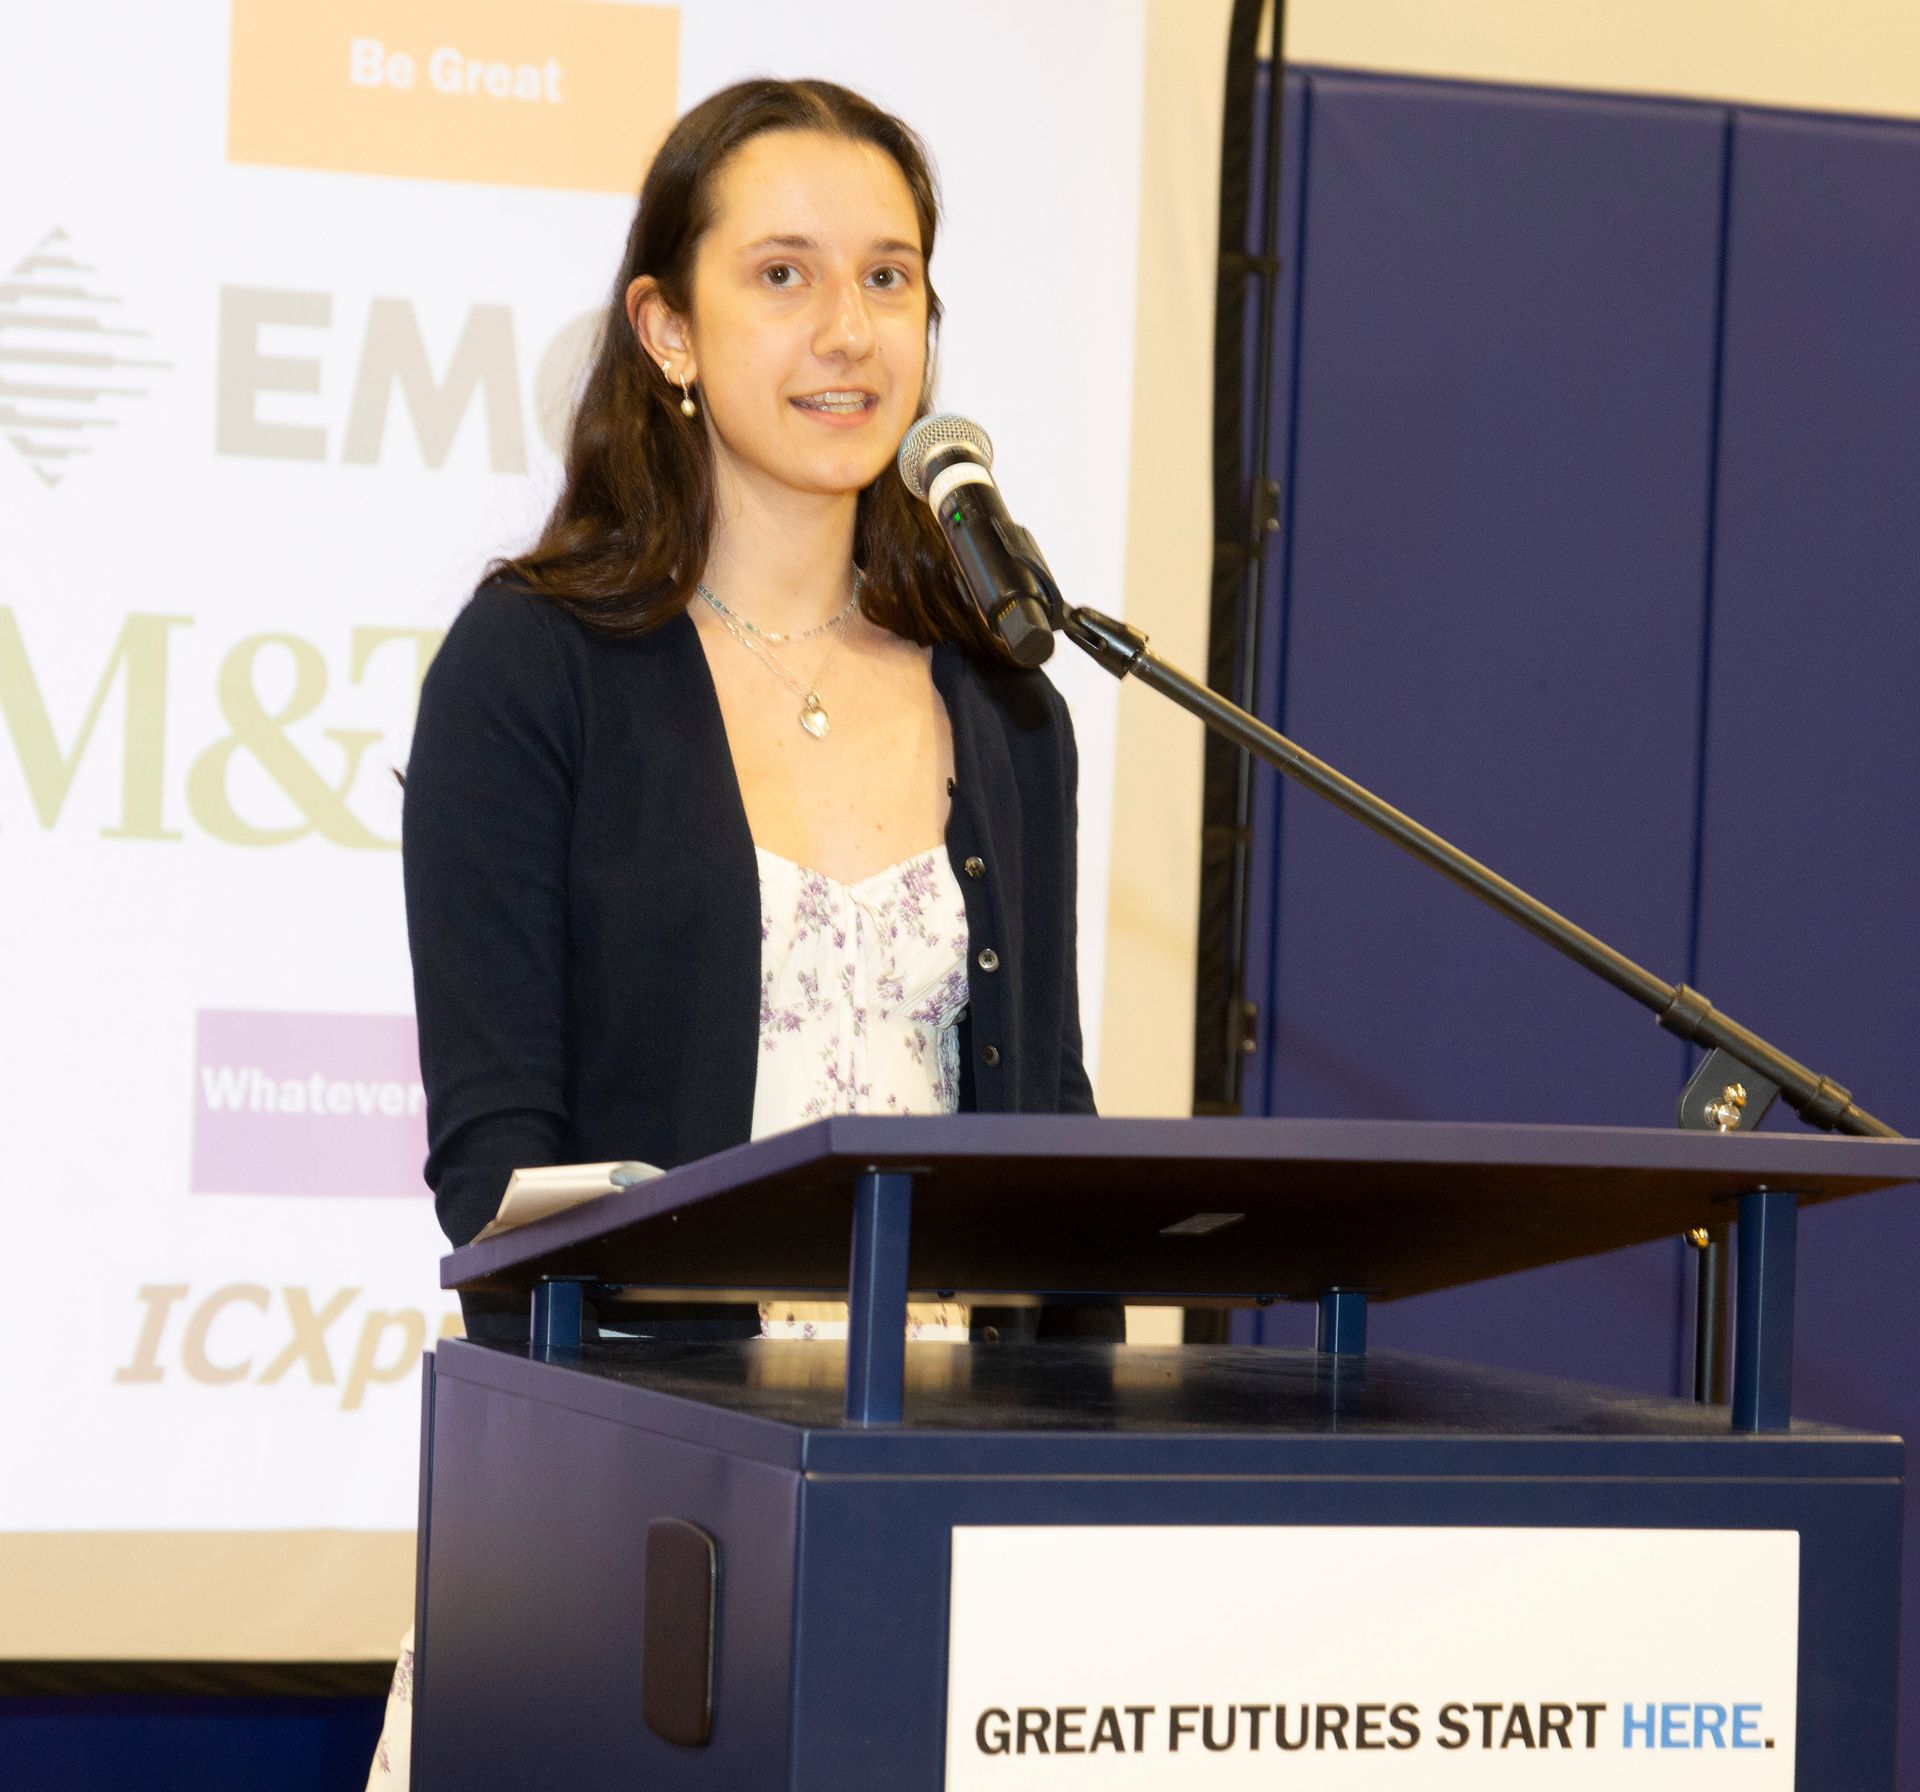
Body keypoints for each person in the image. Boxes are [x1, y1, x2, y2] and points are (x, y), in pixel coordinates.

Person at [401, 76, 1114, 1349]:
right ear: (667, 328)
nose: (849, 332)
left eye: (888, 278)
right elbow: (496, 1166)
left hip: (953, 1438)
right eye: (784, 276)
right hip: (659, 1436)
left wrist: (1086, 1442)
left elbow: (1053, 1140)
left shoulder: (1007, 706)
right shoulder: (529, 671)